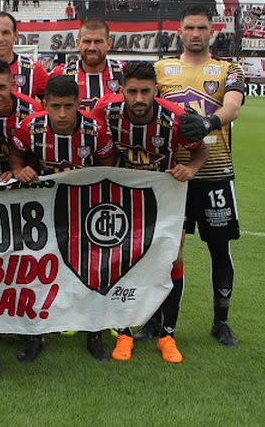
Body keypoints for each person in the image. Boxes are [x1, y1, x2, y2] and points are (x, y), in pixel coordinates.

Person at [93, 61, 209, 363]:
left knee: (174, 258)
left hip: (165, 197)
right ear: (121, 90)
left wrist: (192, 167)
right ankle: (124, 333)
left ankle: (167, 335)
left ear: (156, 90)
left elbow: (202, 148)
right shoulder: (106, 111)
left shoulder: (173, 117)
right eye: (133, 91)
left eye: (146, 91)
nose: (140, 98)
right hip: (121, 198)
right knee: (119, 260)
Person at [4, 75, 116, 362]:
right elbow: (15, 154)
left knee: (93, 269)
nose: (63, 114)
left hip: (85, 208)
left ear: (79, 104)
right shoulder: (31, 127)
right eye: (56, 106)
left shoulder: (96, 129)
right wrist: (19, 170)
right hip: (42, 210)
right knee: (37, 268)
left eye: (69, 106)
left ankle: (94, 333)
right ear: (45, 105)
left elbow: (109, 168)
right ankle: (34, 334)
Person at [153, 5, 246, 349]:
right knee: (163, 250)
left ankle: (221, 321)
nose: (195, 33)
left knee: (219, 248)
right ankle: (156, 321)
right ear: (180, 31)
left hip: (215, 173)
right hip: (170, 175)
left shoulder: (227, 68)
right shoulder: (160, 69)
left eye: (202, 28)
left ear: (212, 32)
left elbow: (233, 106)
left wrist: (208, 123)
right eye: (189, 27)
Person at [51, 19, 124, 111]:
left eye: (98, 41)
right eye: (87, 41)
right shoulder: (61, 73)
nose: (92, 47)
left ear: (109, 44)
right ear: (78, 43)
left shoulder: (124, 72)